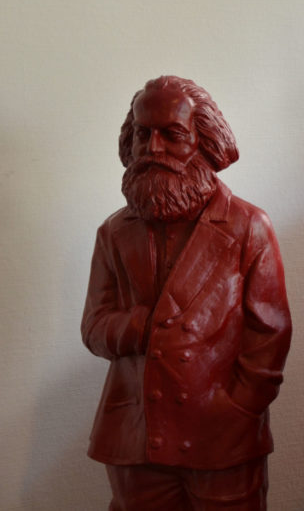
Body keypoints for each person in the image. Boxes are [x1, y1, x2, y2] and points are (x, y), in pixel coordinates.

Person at [82, 76, 292, 511]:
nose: (153, 148)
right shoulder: (113, 233)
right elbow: (94, 327)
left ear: (205, 142)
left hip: (221, 437)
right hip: (136, 437)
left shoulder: (247, 227)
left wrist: (239, 409)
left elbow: (269, 333)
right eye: (143, 135)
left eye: (172, 134)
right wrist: (141, 326)